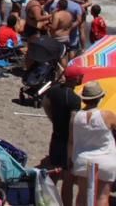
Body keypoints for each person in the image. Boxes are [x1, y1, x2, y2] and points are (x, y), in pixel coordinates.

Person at [69, 81, 116, 206]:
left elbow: (71, 141)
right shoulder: (107, 115)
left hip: (82, 159)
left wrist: (70, 159)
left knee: (82, 195)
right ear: (100, 97)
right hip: (105, 159)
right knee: (102, 196)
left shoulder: (75, 116)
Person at [43, 76, 82, 206]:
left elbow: (45, 103)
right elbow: (72, 126)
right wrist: (71, 154)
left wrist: (52, 119)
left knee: (53, 172)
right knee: (68, 179)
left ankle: (46, 201)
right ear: (75, 79)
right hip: (66, 139)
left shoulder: (54, 90)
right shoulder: (74, 99)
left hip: (56, 134)